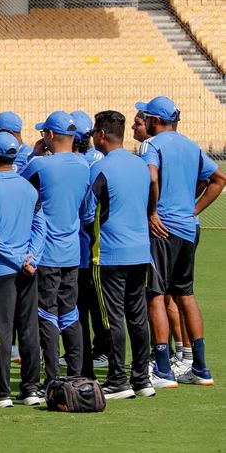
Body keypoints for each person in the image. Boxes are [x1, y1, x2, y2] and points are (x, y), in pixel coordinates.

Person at [137, 96, 225, 387]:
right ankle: (200, 368)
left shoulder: (151, 145)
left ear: (156, 121)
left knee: (156, 295)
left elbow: (150, 176)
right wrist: (193, 210)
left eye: (147, 117)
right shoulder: (191, 145)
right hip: (189, 228)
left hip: (162, 229)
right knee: (185, 294)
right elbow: (219, 179)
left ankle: (162, 370)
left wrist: (151, 211)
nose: (145, 121)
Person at [79, 110, 155, 400]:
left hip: (109, 254)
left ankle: (117, 379)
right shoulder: (139, 165)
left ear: (100, 135)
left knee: (111, 318)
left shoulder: (101, 168)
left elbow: (87, 212)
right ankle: (142, 379)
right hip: (140, 252)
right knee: (137, 317)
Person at [0, 132, 46, 408]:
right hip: (28, 270)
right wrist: (32, 258)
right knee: (28, 330)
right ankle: (30, 389)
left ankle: (0, 390)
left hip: (0, 271)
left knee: (0, 331)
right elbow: (40, 227)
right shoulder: (28, 188)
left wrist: (16, 258)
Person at [20, 110, 90, 383]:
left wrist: (32, 155)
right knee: (70, 312)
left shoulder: (40, 164)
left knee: (46, 314)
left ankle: (52, 378)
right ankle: (77, 374)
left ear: (49, 135)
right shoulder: (84, 166)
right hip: (72, 252)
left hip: (44, 252)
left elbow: (19, 189)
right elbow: (86, 213)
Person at [71, 110, 110, 377]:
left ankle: (97, 353)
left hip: (84, 243)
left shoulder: (80, 164)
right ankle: (100, 352)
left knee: (87, 304)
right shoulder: (100, 159)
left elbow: (85, 211)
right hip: (102, 243)